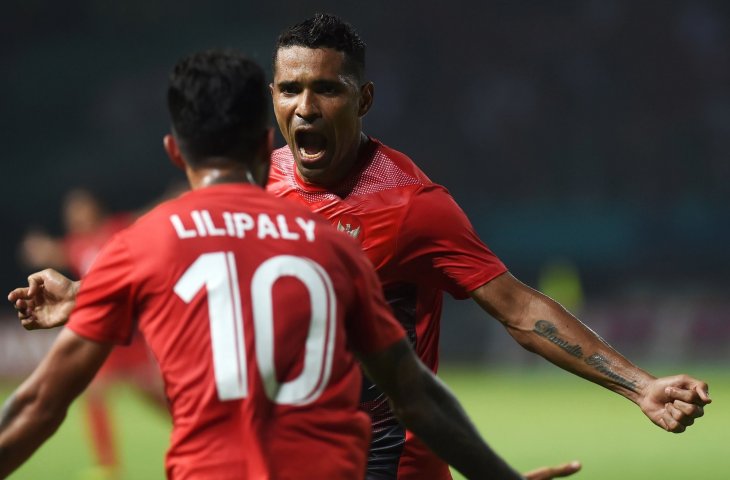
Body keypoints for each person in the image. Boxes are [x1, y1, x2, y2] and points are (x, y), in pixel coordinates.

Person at [2, 49, 578, 480]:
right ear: (264, 148)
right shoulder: (330, 247)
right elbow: (416, 397)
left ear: (175, 154)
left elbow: (39, 403)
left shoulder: (151, 241)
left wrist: (83, 296)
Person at [264, 13, 710, 480]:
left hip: (386, 462)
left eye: (328, 89)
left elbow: (519, 309)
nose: (306, 108)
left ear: (364, 99)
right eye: (290, 89)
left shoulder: (410, 206)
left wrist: (640, 387)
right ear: (273, 95)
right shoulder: (258, 185)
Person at [19, 188, 164, 479]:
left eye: (80, 209)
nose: (75, 216)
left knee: (156, 393)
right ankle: (107, 466)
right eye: (71, 212)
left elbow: (148, 218)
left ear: (95, 209)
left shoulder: (116, 229)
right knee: (94, 393)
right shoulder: (76, 244)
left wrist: (174, 199)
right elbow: (55, 251)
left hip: (131, 331)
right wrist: (38, 248)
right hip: (102, 333)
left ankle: (195, 425)